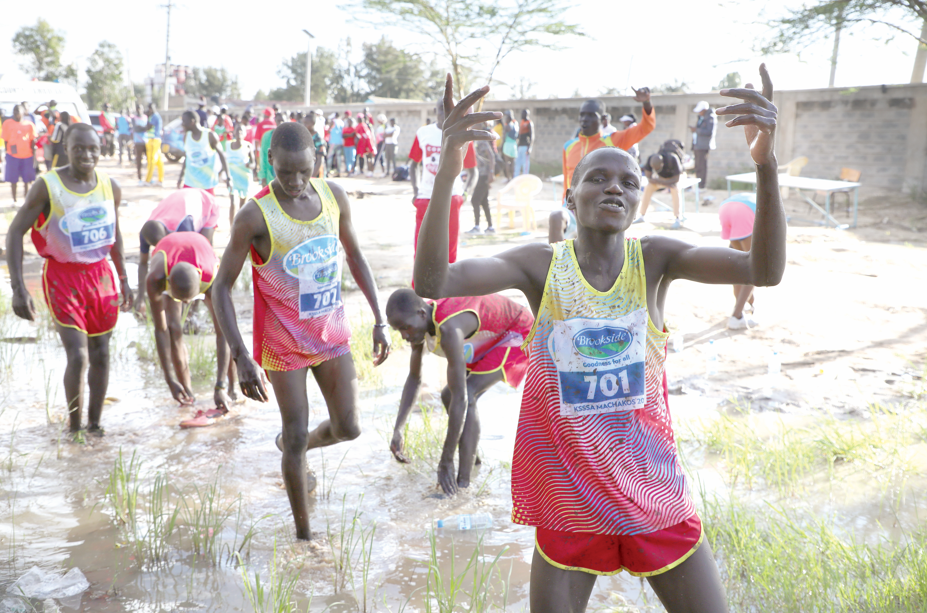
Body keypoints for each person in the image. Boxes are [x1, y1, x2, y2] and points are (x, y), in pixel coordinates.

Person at [413, 68, 783, 613]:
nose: (615, 186)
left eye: (630, 182)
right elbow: (432, 283)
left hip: (653, 494)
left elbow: (764, 269)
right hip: (568, 500)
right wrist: (448, 168)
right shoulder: (540, 267)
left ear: (639, 202)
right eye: (599, 177)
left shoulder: (656, 259)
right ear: (571, 195)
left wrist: (765, 165)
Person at [211, 122, 391, 540]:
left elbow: (356, 256)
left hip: (330, 333)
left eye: (303, 171)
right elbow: (220, 286)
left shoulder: (334, 197)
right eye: (285, 171)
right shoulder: (255, 215)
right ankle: (305, 537)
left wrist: (379, 318)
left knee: (349, 427)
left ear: (316, 160)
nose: (294, 181)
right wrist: (241, 355)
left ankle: (297, 449)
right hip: (282, 343)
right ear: (269, 161)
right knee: (294, 434)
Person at [6, 123, 133, 435]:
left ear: (101, 149)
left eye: (93, 148)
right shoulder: (47, 186)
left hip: (101, 275)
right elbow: (14, 232)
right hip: (63, 277)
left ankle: (95, 425)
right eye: (79, 148)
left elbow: (114, 234)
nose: (86, 154)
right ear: (66, 149)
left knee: (101, 351)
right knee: (78, 355)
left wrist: (124, 278)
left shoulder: (109, 186)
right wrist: (18, 287)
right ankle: (74, 430)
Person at [386, 289, 533, 493]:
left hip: (518, 331)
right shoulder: (418, 322)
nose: (404, 335)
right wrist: (398, 430)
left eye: (405, 328)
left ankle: (463, 486)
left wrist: (445, 461)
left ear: (421, 314)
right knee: (449, 395)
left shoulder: (448, 328)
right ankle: (472, 457)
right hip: (489, 335)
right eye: (398, 330)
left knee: (468, 394)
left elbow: (462, 398)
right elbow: (414, 378)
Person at [144, 231, 237, 427]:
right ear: (168, 286)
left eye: (190, 299)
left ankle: (231, 389)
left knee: (225, 326)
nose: (186, 303)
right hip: (169, 251)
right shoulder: (155, 279)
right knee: (174, 328)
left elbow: (224, 335)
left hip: (203, 254)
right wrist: (169, 380)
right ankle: (186, 393)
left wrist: (220, 384)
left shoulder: (214, 279)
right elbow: (161, 330)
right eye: (181, 299)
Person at [549, 90, 655, 243]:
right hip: (572, 209)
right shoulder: (569, 146)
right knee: (557, 219)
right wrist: (565, 205)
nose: (585, 119)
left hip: (599, 209)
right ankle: (556, 265)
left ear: (603, 119)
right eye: (582, 115)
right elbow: (568, 181)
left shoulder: (612, 141)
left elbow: (646, 127)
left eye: (591, 115)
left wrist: (646, 103)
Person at [409, 99, 478, 266]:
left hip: (452, 198)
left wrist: (465, 193)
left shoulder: (463, 136)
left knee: (449, 247)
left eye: (450, 110)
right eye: (442, 109)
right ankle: (418, 288)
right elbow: (413, 165)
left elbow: (473, 171)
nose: (446, 113)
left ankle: (448, 290)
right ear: (435, 111)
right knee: (421, 246)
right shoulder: (423, 133)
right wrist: (416, 190)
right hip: (426, 197)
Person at [134, 188, 220, 316]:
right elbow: (142, 263)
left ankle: (193, 311)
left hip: (206, 205)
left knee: (201, 256)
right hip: (179, 203)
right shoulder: (146, 232)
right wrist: (140, 297)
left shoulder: (184, 228)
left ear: (168, 236)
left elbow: (190, 268)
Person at [719, 193, 758, 329]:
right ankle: (737, 316)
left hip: (724, 208)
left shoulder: (752, 197)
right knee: (754, 268)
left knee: (740, 265)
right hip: (743, 212)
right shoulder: (769, 205)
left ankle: (743, 308)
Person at [177, 110, 230, 194]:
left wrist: (228, 177)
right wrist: (181, 177)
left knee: (207, 207)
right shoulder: (187, 137)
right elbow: (187, 158)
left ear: (192, 122)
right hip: (190, 183)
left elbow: (222, 156)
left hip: (207, 184)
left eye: (184, 121)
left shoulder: (210, 135)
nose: (182, 124)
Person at [637, 141, 686, 229]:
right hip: (660, 179)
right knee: (648, 187)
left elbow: (676, 179)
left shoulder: (672, 159)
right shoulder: (651, 158)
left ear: (662, 164)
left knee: (675, 189)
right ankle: (642, 215)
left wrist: (663, 182)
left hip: (673, 179)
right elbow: (649, 176)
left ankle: (678, 218)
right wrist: (657, 181)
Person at [2, 105, 38, 204]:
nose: (17, 114)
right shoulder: (7, 123)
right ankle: (14, 200)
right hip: (12, 156)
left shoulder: (29, 125)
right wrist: (6, 152)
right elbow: (5, 139)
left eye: (19, 112)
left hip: (27, 156)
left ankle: (26, 200)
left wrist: (33, 156)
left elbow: (33, 140)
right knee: (13, 179)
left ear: (23, 113)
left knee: (27, 180)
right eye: (15, 112)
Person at [465, 124, 496, 235]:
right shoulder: (475, 140)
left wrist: (491, 173)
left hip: (483, 175)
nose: (471, 126)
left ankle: (477, 227)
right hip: (480, 174)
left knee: (475, 200)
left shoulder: (481, 141)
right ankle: (490, 227)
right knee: (484, 201)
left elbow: (491, 156)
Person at [226, 123, 254, 224]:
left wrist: (249, 165)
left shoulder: (248, 146)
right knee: (233, 203)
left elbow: (254, 164)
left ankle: (239, 226)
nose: (239, 133)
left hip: (244, 179)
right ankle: (231, 228)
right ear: (234, 132)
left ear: (245, 133)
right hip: (232, 179)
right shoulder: (228, 145)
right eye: (237, 130)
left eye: (242, 131)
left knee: (243, 205)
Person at [690, 101, 717, 189]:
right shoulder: (701, 117)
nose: (699, 112)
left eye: (700, 110)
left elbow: (709, 132)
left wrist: (696, 130)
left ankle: (701, 186)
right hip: (697, 145)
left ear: (705, 110)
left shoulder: (710, 118)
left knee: (701, 166)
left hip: (703, 146)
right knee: (697, 166)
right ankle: (698, 185)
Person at [258, 113, 284, 187]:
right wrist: (263, 176)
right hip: (270, 174)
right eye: (279, 120)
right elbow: (263, 155)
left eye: (283, 120)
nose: (281, 123)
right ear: (275, 121)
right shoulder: (267, 136)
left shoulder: (290, 136)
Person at [145, 103, 165, 187]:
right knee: (159, 161)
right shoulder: (157, 116)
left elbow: (148, 126)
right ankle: (160, 180)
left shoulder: (153, 116)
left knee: (151, 160)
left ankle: (148, 180)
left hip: (153, 140)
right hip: (156, 139)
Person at [131, 103, 149, 186]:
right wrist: (143, 128)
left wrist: (141, 127)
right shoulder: (134, 118)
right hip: (138, 142)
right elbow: (136, 129)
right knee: (139, 161)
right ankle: (140, 178)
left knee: (149, 161)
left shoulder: (146, 117)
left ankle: (148, 178)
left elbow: (148, 128)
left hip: (146, 141)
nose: (139, 110)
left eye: (140, 108)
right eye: (138, 108)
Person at [514, 110, 534, 177]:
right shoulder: (521, 122)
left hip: (525, 146)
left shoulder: (529, 123)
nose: (521, 115)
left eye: (523, 114)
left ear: (526, 114)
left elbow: (532, 136)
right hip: (519, 146)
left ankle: (525, 178)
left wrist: (530, 148)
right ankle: (515, 178)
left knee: (525, 164)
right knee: (517, 163)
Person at [500, 112, 517, 180]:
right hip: (514, 145)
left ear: (508, 118)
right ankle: (513, 178)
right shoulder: (515, 125)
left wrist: (501, 146)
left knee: (507, 162)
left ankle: (508, 178)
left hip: (507, 144)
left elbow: (504, 137)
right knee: (512, 163)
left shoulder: (507, 126)